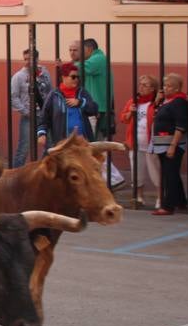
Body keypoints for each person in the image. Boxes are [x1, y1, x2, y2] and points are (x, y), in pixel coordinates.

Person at [72, 38, 124, 187]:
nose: (77, 54)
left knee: (95, 145)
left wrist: (66, 65)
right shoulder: (97, 59)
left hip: (99, 109)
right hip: (97, 107)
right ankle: (108, 178)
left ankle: (114, 178)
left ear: (88, 49)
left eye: (79, 50)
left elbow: (80, 68)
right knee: (93, 145)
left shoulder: (98, 58)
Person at [150, 73, 188, 216]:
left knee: (170, 174)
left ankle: (168, 206)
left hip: (171, 144)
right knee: (171, 173)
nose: (166, 88)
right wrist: (157, 100)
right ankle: (180, 201)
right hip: (162, 143)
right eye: (165, 85)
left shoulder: (178, 102)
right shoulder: (166, 101)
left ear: (177, 88)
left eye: (170, 86)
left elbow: (181, 125)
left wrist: (173, 145)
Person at [121, 75, 161, 209]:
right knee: (136, 172)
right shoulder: (134, 101)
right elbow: (123, 118)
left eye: (145, 85)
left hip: (150, 143)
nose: (141, 87)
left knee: (156, 172)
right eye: (140, 84)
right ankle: (139, 196)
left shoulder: (156, 103)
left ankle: (160, 197)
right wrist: (130, 113)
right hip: (135, 142)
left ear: (153, 88)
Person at [37, 62, 97, 147]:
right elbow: (44, 118)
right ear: (63, 77)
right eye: (73, 77)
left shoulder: (82, 93)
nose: (76, 79)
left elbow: (94, 109)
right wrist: (42, 133)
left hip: (82, 142)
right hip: (62, 143)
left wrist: (80, 102)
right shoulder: (54, 95)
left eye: (77, 77)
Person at [10, 48, 52, 167]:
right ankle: (16, 175)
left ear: (37, 59)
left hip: (45, 115)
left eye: (30, 59)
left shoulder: (44, 72)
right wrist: (25, 111)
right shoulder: (19, 76)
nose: (27, 61)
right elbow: (13, 97)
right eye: (25, 59)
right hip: (29, 116)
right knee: (24, 148)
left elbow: (50, 91)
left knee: (51, 146)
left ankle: (40, 169)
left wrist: (50, 109)